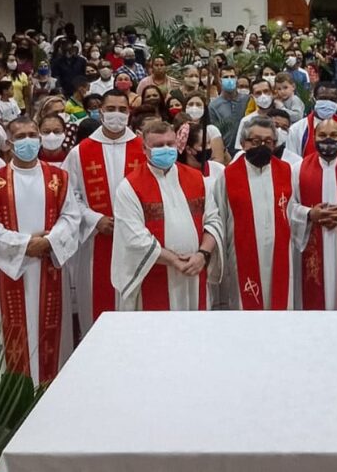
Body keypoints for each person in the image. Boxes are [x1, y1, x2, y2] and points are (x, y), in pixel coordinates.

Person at [0, 117, 81, 386]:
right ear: (9, 142)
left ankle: (52, 392)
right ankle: (14, 396)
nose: (27, 141)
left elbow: (71, 218)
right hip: (12, 269)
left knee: (52, 337)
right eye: (20, 136)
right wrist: (25, 245)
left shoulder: (59, 178)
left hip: (49, 265)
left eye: (32, 134)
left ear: (40, 139)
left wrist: (49, 242)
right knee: (13, 337)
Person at [111, 121, 223, 311]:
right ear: (145, 148)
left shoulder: (197, 179)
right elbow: (135, 238)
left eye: (170, 144)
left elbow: (213, 221)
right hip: (153, 275)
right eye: (158, 146)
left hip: (194, 274)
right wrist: (174, 260)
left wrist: (202, 255)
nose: (165, 149)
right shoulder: (130, 187)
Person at [63, 90, 146, 334]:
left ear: (130, 114)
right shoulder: (81, 152)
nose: (116, 114)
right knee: (98, 311)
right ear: (100, 112)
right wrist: (95, 219)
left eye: (122, 109)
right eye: (111, 109)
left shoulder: (143, 148)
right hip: (96, 241)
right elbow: (70, 197)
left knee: (134, 312)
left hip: (135, 239)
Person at [213, 116, 294, 310]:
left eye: (268, 142)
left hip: (280, 255)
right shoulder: (228, 176)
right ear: (243, 143)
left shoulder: (287, 171)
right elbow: (219, 219)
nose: (262, 146)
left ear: (275, 144)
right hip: (241, 258)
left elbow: (293, 212)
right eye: (256, 141)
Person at [288, 118, 337, 310]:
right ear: (314, 137)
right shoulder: (297, 170)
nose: (328, 140)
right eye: (322, 135)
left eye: (334, 135)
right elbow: (288, 206)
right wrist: (309, 213)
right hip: (311, 241)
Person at [287, 84, 337, 158]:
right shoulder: (297, 130)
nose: (327, 103)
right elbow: (292, 163)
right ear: (313, 99)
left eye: (332, 100)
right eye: (323, 98)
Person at [209, 66, 248, 156]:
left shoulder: (247, 100)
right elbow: (214, 132)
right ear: (220, 80)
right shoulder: (213, 106)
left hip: (246, 150)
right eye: (226, 77)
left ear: (237, 79)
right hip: (227, 153)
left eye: (232, 76)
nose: (229, 79)